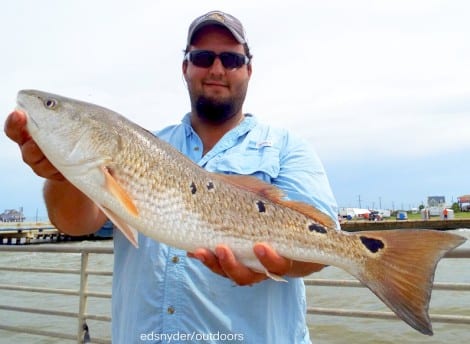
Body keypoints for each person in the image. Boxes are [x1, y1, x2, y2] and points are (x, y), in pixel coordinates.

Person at [5, 10, 338, 343]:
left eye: (232, 60)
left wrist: (280, 264)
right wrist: (62, 174)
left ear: (249, 70)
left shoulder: (287, 148)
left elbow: (325, 243)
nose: (217, 69)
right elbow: (76, 223)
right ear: (185, 67)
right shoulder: (144, 146)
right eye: (203, 57)